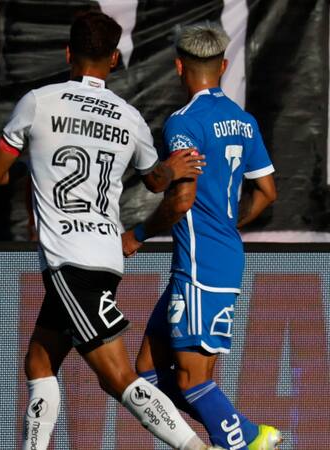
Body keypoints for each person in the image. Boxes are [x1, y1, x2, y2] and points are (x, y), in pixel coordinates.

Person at [0, 11, 219, 450]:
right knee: (38, 361)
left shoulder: (39, 100)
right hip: (106, 257)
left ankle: (197, 448)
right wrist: (171, 167)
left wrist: (32, 164)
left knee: (118, 378)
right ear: (114, 59)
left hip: (69, 261)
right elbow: (155, 182)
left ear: (68, 53)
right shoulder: (128, 117)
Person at [124, 22, 280, 450]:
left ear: (179, 67)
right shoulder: (245, 122)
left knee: (193, 380)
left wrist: (136, 233)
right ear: (224, 66)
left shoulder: (184, 122)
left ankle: (244, 442)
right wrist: (226, 222)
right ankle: (245, 433)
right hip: (215, 257)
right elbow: (267, 192)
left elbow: (180, 201)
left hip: (200, 263)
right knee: (146, 375)